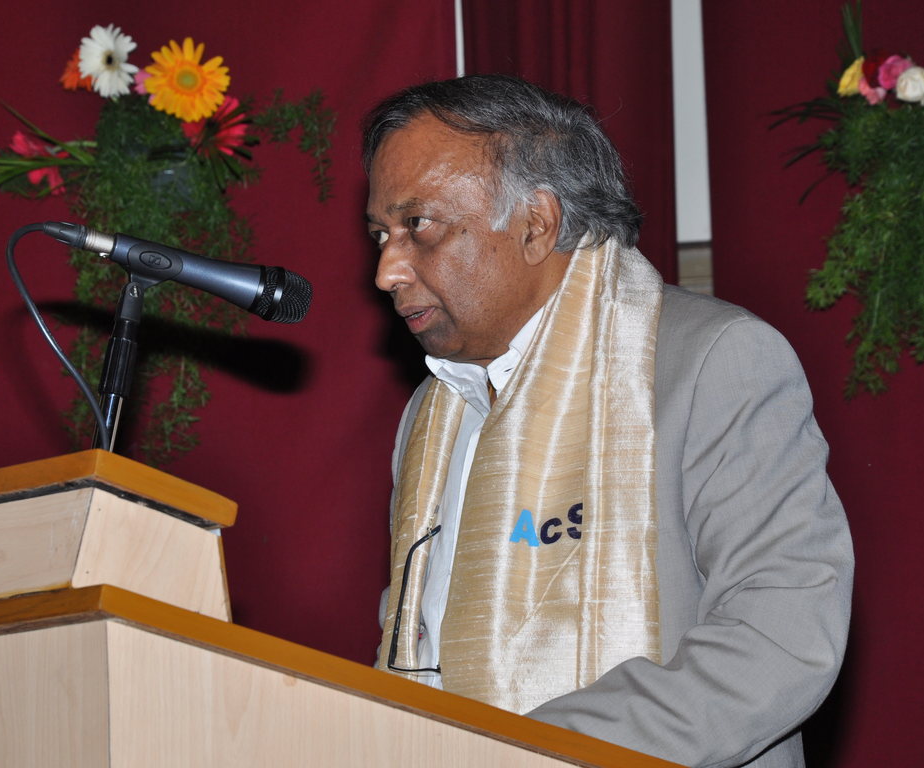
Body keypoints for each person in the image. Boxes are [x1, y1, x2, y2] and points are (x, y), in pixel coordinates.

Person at [364, 74, 853, 768]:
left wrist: (525, 755)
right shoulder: (431, 413)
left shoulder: (710, 362)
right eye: (381, 235)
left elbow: (781, 637)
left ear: (536, 223)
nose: (387, 270)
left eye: (418, 226)